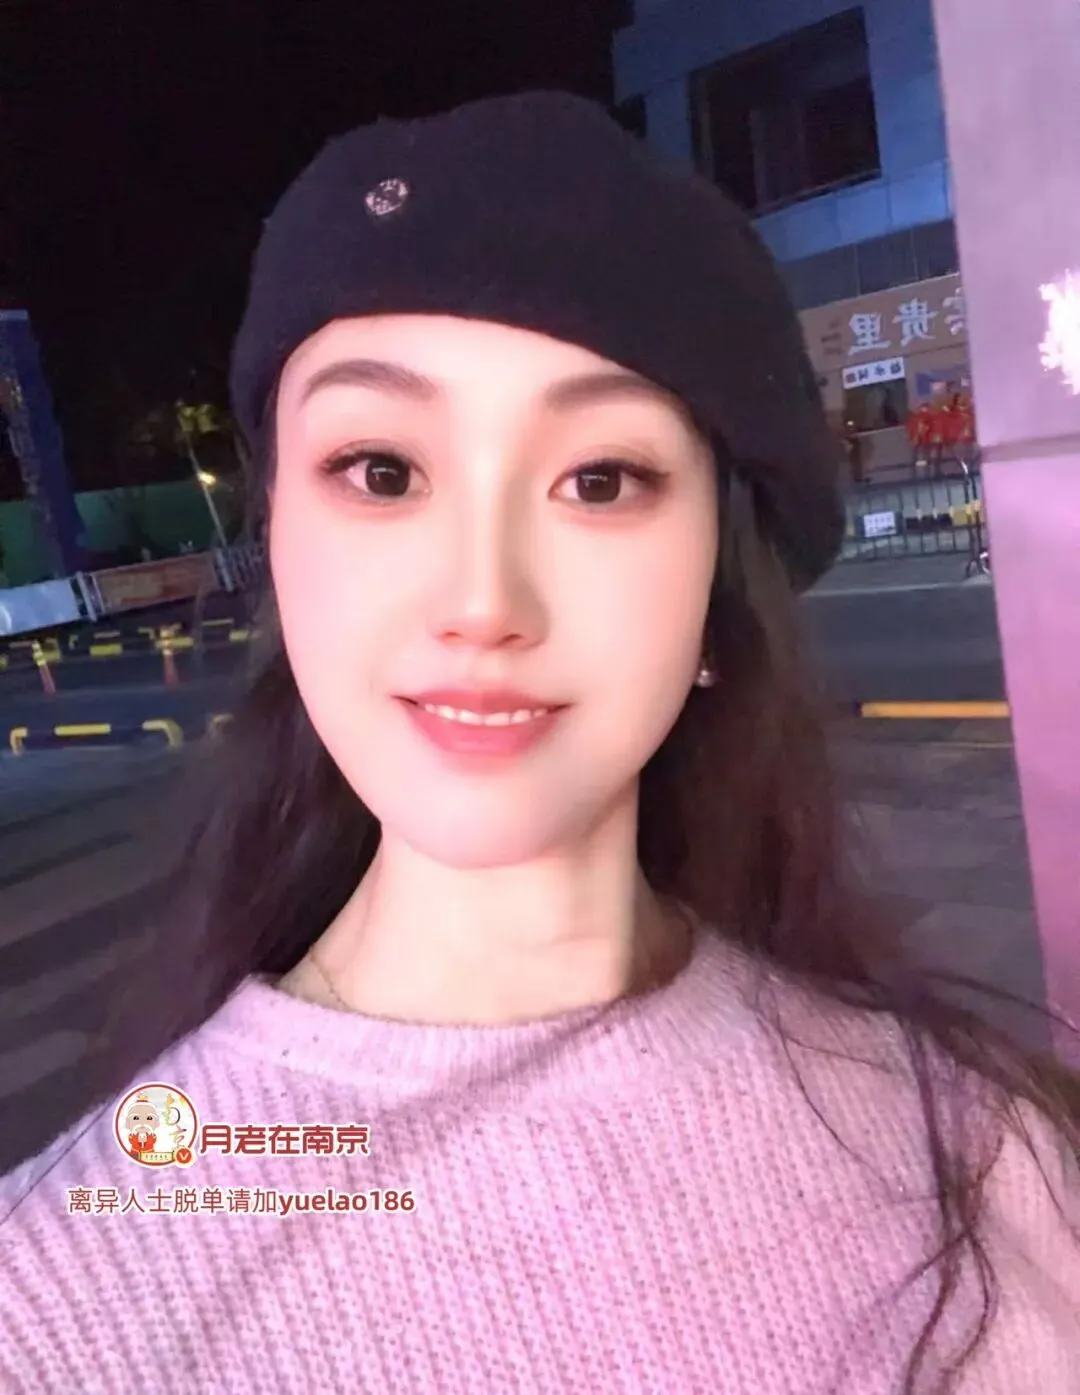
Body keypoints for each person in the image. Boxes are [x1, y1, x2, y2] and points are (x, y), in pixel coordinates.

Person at [1, 91, 1077, 1395]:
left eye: (600, 480)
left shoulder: (987, 1159)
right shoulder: (54, 1300)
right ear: (278, 535)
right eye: (382, 471)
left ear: (717, 592)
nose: (483, 601)